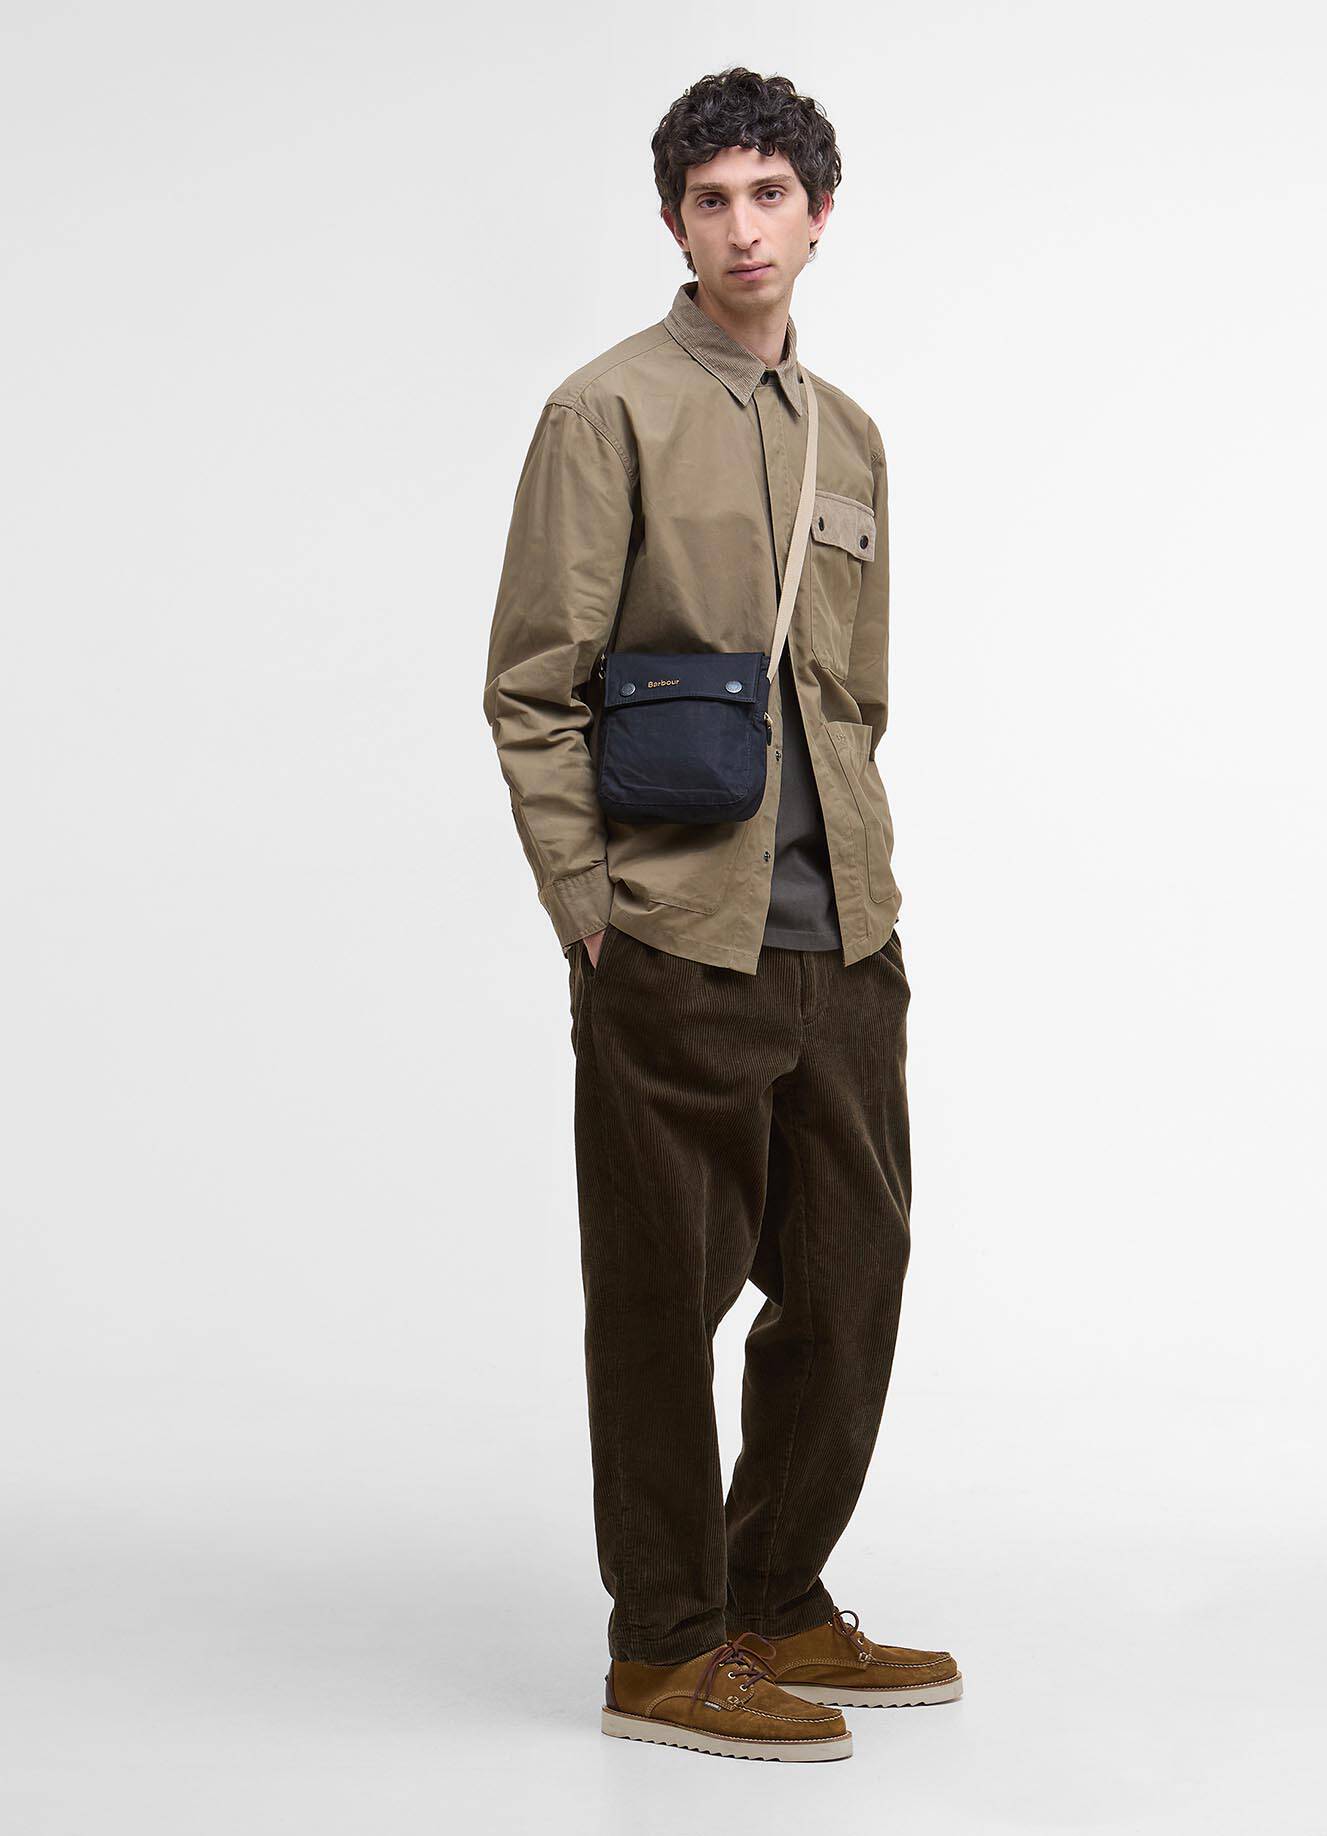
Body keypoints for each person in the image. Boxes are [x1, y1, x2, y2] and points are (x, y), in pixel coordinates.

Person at [482, 66, 961, 1763]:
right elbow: (533, 685)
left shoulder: (853, 436)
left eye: (771, 195)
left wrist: (868, 886)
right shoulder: (603, 410)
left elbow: (857, 694)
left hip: (844, 937)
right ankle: (666, 1646)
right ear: (675, 223)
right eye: (711, 200)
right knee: (659, 1303)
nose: (744, 228)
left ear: (819, 216)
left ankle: (774, 1594)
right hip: (674, 934)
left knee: (851, 1278)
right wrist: (587, 907)